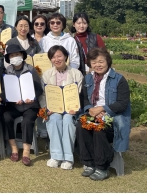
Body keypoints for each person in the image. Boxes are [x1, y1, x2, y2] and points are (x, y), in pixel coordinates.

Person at [77, 47, 130, 181]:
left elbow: (122, 103)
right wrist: (90, 109)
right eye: (94, 62)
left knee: (98, 128)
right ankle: (88, 162)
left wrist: (102, 109)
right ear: (90, 64)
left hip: (113, 116)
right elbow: (83, 98)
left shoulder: (119, 79)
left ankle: (102, 166)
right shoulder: (88, 78)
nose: (97, 65)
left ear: (108, 61)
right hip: (93, 113)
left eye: (101, 61)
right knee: (81, 125)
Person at [39, 45, 83, 170]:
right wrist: (47, 108)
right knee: (54, 120)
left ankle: (68, 158)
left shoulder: (76, 74)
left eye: (59, 56)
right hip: (54, 108)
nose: (57, 59)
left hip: (71, 109)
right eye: (53, 57)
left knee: (68, 120)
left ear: (66, 57)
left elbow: (79, 93)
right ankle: (56, 156)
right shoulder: (47, 75)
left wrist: (74, 107)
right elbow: (43, 95)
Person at [3, 44, 43, 166]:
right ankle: (14, 147)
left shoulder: (31, 69)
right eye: (12, 55)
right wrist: (12, 99)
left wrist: (32, 97)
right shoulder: (7, 71)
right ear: (9, 58)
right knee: (6, 117)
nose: (15, 57)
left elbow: (39, 89)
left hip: (30, 105)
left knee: (27, 121)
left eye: (17, 54)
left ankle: (26, 152)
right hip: (14, 105)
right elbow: (5, 91)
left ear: (22, 55)